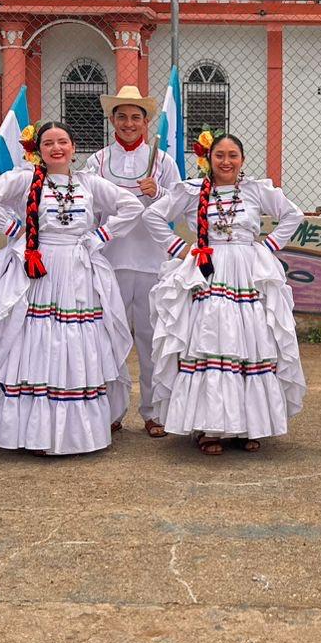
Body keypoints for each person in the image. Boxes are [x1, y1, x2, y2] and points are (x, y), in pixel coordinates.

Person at [0, 121, 143, 456]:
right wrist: (12, 227)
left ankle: (74, 434)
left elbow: (130, 206)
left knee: (75, 340)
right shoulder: (25, 178)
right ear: (39, 150)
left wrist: (100, 236)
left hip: (77, 268)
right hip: (37, 268)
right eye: (49, 143)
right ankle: (32, 432)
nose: (57, 148)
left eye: (63, 142)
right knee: (35, 338)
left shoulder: (90, 183)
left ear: (74, 148)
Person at [142, 132, 306, 456]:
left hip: (247, 270)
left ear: (242, 159)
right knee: (212, 342)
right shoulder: (192, 191)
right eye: (220, 155)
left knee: (250, 342)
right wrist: (182, 249)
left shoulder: (256, 190)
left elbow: (293, 215)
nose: (226, 161)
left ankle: (249, 426)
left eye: (233, 155)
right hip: (208, 270)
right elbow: (153, 216)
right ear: (209, 158)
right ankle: (212, 427)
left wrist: (267, 247)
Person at [83, 84, 182, 438]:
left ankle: (154, 412)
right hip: (111, 260)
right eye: (122, 116)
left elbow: (181, 203)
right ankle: (112, 410)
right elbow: (88, 204)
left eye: (135, 117)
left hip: (152, 261)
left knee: (152, 339)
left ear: (146, 122)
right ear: (112, 120)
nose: (128, 123)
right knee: (112, 338)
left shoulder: (163, 161)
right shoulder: (97, 161)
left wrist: (160, 193)